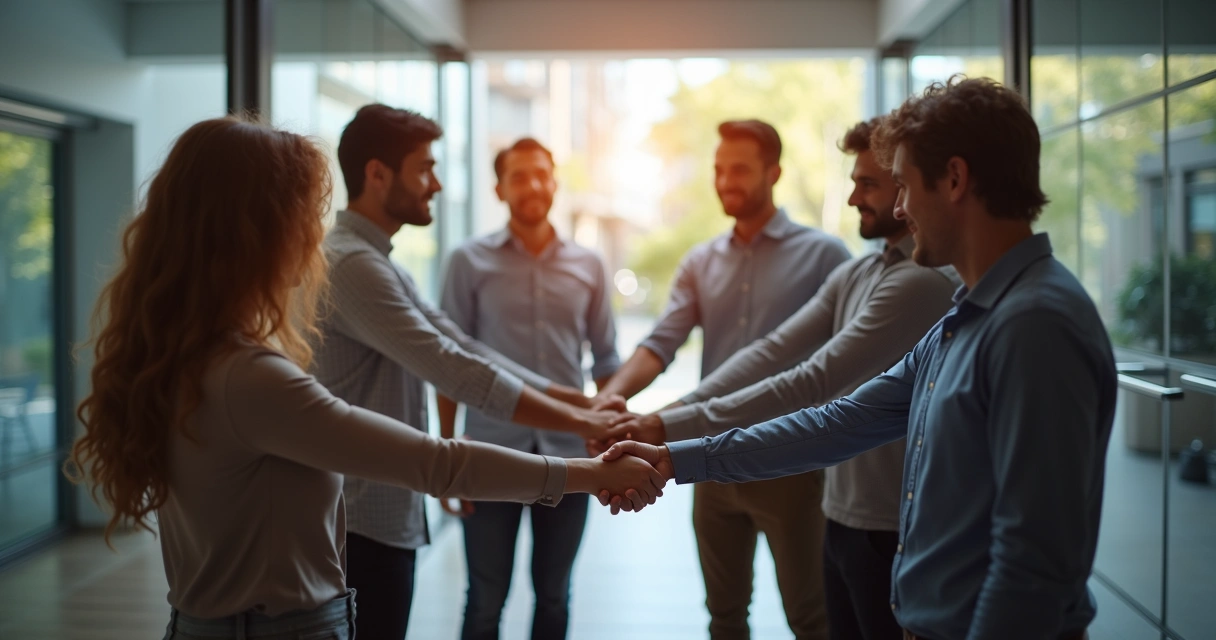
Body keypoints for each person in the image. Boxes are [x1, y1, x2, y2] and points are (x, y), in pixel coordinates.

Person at [63, 117, 665, 640]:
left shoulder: (191, 354)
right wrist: (593, 472)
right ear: (258, 231)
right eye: (302, 214)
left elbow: (464, 351)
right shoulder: (249, 375)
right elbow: (438, 457)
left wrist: (587, 415)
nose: (311, 239)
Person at [602, 77, 1115, 640]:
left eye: (903, 185)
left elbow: (1033, 564)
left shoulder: (1034, 326)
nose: (899, 207)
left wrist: (669, 437)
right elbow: (840, 421)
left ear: (954, 179)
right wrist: (675, 457)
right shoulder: (967, 314)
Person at [604, 116, 957, 640]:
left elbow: (813, 380)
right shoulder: (857, 271)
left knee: (810, 621)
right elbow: (768, 354)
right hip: (836, 499)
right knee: (733, 615)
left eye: (876, 184)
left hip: (860, 502)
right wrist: (658, 421)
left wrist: (664, 429)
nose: (857, 198)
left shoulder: (897, 275)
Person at [314, 106, 624, 640]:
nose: (435, 184)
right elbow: (457, 371)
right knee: (482, 601)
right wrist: (583, 418)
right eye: (424, 169)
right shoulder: (355, 266)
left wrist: (584, 410)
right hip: (362, 518)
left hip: (384, 511)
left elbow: (467, 349)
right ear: (378, 174)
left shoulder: (383, 264)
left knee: (553, 594)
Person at [596, 119, 852, 640]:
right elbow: (661, 343)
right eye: (718, 169)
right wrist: (606, 398)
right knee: (724, 616)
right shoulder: (700, 260)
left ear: (773, 172)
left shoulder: (826, 256)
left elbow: (844, 362)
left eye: (739, 169)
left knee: (812, 616)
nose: (725, 181)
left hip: (791, 464)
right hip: (708, 462)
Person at [437, 137, 620, 640]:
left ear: (555, 182)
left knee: (556, 594)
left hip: (570, 456)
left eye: (542, 173)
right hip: (488, 452)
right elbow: (447, 362)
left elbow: (605, 358)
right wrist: (449, 454)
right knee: (485, 600)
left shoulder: (589, 264)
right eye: (520, 176)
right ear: (499, 188)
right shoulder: (468, 262)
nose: (533, 185)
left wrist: (611, 436)